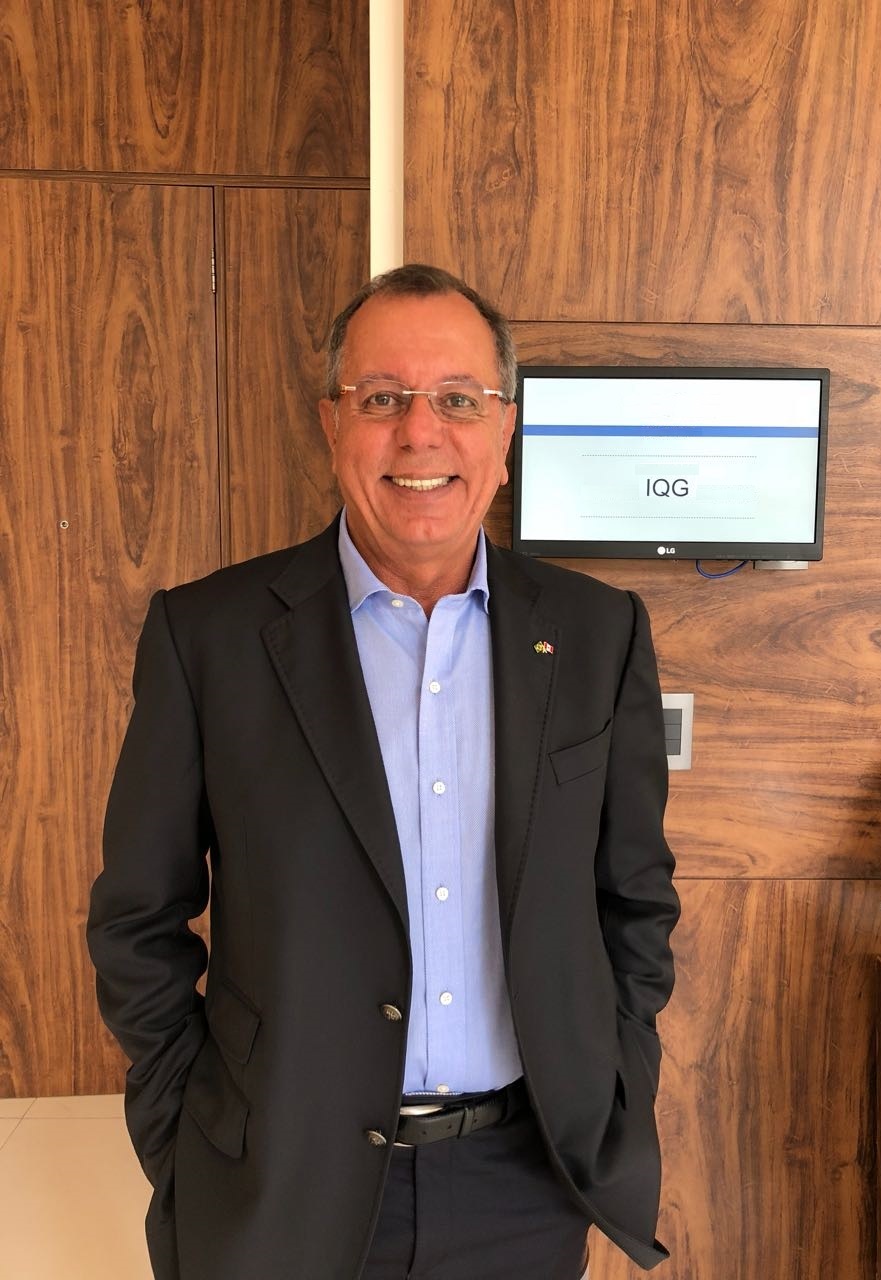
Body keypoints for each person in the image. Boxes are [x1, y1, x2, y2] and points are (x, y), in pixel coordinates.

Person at [88, 264, 680, 1280]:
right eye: (381, 398)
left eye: (458, 399)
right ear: (332, 424)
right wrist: (190, 1132)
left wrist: (612, 1085)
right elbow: (137, 920)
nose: (420, 433)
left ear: (504, 432)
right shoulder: (210, 637)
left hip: (525, 1186)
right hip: (280, 1186)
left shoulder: (598, 634)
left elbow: (635, 902)